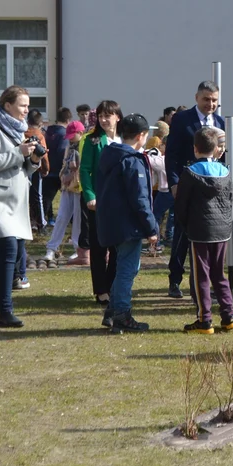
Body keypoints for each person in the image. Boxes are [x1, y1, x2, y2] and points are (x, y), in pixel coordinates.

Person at [0, 86, 43, 328]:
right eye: (23, 105)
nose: (27, 110)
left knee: (14, 252)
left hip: (16, 202)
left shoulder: (19, 132)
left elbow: (23, 168)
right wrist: (19, 151)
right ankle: (5, 311)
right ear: (7, 105)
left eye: (27, 105)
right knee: (6, 250)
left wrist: (33, 161)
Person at [97, 113, 158, 334]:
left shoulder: (109, 154)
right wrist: (151, 227)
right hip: (127, 226)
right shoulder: (132, 160)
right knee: (127, 269)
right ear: (141, 136)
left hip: (111, 222)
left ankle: (113, 311)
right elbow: (140, 199)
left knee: (125, 266)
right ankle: (121, 314)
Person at [165, 82, 225, 299]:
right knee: (182, 233)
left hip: (211, 188)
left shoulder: (220, 122)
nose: (211, 104)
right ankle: (175, 279)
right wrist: (173, 183)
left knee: (209, 235)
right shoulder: (182, 120)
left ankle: (206, 283)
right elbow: (171, 154)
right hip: (187, 183)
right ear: (197, 98)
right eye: (206, 99)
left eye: (214, 100)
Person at [177, 127, 233, 333]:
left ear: (195, 149)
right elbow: (230, 199)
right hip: (222, 230)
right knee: (219, 274)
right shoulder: (227, 171)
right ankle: (229, 315)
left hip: (200, 230)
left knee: (201, 276)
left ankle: (204, 319)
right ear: (215, 150)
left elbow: (181, 204)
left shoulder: (190, 173)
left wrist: (183, 225)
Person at [80, 100, 122, 306]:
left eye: (109, 115)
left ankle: (113, 284)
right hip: (99, 201)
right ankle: (100, 290)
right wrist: (89, 195)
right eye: (101, 116)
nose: (105, 120)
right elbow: (84, 170)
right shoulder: (93, 140)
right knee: (98, 246)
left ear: (117, 117)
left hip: (120, 201)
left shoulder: (125, 139)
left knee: (117, 246)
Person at [44, 120, 86, 262]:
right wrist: (63, 177)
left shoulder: (84, 146)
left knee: (78, 220)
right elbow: (65, 164)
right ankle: (51, 248)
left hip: (79, 187)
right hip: (67, 187)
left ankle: (77, 248)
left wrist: (74, 173)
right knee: (62, 217)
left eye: (73, 135)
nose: (70, 139)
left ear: (81, 133)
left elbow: (83, 167)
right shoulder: (70, 146)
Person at [43, 107, 72, 225]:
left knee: (46, 199)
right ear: (68, 120)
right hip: (59, 171)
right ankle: (72, 221)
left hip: (47, 169)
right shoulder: (64, 134)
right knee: (69, 199)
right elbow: (62, 151)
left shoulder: (48, 132)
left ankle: (44, 219)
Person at [147, 136, 173, 254]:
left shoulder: (162, 159)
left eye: (162, 144)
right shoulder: (176, 159)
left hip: (165, 191)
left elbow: (148, 159)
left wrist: (149, 152)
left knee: (155, 216)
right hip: (176, 192)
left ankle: (155, 244)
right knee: (174, 217)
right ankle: (172, 238)